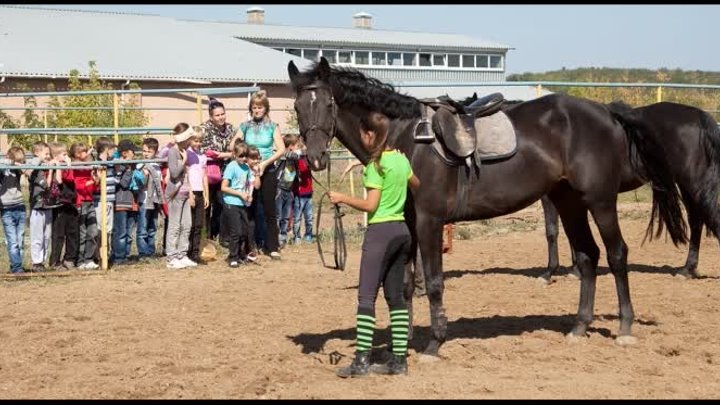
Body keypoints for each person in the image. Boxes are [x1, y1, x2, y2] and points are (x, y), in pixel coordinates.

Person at [328, 111, 420, 378]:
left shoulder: (375, 165)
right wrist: (402, 167)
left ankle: (361, 361)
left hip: (380, 233)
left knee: (366, 297)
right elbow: (417, 184)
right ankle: (399, 361)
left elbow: (371, 205)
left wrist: (342, 198)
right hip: (402, 232)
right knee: (396, 298)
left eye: (362, 135)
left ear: (370, 135)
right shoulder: (401, 161)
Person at [234, 90, 285, 260]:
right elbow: (233, 144)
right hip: (248, 173)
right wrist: (243, 155)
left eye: (260, 107)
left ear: (266, 109)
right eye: (254, 107)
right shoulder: (245, 126)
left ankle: (272, 246)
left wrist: (264, 163)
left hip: (267, 170)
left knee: (269, 209)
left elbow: (282, 149)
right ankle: (250, 246)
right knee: (250, 209)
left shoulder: (273, 126)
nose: (257, 110)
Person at [199, 97, 237, 243]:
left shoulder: (231, 129)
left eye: (222, 114)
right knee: (206, 206)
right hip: (208, 173)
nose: (221, 117)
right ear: (211, 116)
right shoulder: (204, 129)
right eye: (217, 115)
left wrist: (226, 155)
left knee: (223, 204)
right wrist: (226, 154)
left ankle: (221, 235)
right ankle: (206, 237)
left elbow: (238, 147)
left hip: (225, 173)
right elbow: (204, 150)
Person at [220, 142, 261, 268]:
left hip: (242, 203)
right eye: (240, 156)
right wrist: (239, 194)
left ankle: (240, 255)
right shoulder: (231, 167)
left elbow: (256, 186)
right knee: (236, 232)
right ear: (234, 155)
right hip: (231, 203)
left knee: (245, 231)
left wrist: (257, 173)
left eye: (245, 156)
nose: (243, 159)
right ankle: (233, 257)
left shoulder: (247, 168)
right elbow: (224, 187)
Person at [165, 123, 199, 270]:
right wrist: (184, 161)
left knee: (187, 225)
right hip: (176, 194)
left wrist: (190, 192)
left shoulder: (185, 150)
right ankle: (171, 257)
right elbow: (174, 173)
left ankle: (182, 254)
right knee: (174, 226)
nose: (190, 141)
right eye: (188, 138)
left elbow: (187, 175)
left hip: (185, 192)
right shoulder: (173, 152)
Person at [69, 143, 100, 270]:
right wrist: (91, 182)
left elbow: (93, 186)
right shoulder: (75, 166)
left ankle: (89, 258)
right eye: (84, 152)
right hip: (80, 202)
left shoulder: (87, 167)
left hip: (89, 201)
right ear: (77, 154)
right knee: (81, 233)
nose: (87, 154)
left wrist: (95, 181)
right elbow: (78, 186)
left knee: (93, 231)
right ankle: (80, 260)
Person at [28, 141, 58, 272]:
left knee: (46, 236)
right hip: (37, 207)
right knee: (37, 236)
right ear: (36, 153)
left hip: (48, 206)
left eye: (48, 154)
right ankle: (36, 262)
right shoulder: (37, 171)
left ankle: (43, 260)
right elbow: (46, 185)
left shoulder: (45, 167)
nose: (48, 156)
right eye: (45, 154)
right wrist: (50, 170)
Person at [0, 146, 28, 274]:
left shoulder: (17, 169)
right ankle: (17, 267)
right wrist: (10, 162)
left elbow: (27, 168)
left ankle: (17, 266)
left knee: (20, 239)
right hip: (6, 209)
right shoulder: (3, 168)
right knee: (12, 240)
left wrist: (18, 165)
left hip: (19, 206)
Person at [137, 137, 163, 261]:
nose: (146, 154)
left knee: (152, 227)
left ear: (155, 152)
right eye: (144, 151)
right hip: (144, 200)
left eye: (149, 151)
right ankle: (143, 253)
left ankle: (151, 251)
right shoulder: (140, 165)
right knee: (143, 228)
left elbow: (159, 181)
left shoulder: (157, 165)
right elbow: (140, 183)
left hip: (154, 200)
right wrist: (144, 175)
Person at [186, 130, 210, 265]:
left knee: (198, 225)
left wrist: (206, 194)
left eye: (200, 141)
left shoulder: (202, 156)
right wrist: (189, 192)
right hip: (191, 192)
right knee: (190, 224)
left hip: (200, 192)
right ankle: (186, 251)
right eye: (195, 140)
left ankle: (195, 253)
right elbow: (186, 174)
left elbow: (204, 175)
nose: (198, 143)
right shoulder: (187, 154)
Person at [275, 134, 300, 248]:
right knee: (278, 216)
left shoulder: (293, 157)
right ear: (290, 146)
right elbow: (291, 155)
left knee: (285, 217)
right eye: (296, 146)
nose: (298, 148)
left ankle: (283, 239)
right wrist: (300, 153)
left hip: (289, 190)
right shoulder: (283, 155)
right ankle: (275, 238)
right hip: (279, 189)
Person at [292, 138, 314, 245]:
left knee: (309, 217)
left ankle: (309, 235)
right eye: (299, 147)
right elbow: (302, 170)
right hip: (299, 194)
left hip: (308, 193)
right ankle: (297, 236)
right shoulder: (296, 160)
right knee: (297, 218)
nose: (302, 149)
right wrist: (299, 155)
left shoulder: (308, 159)